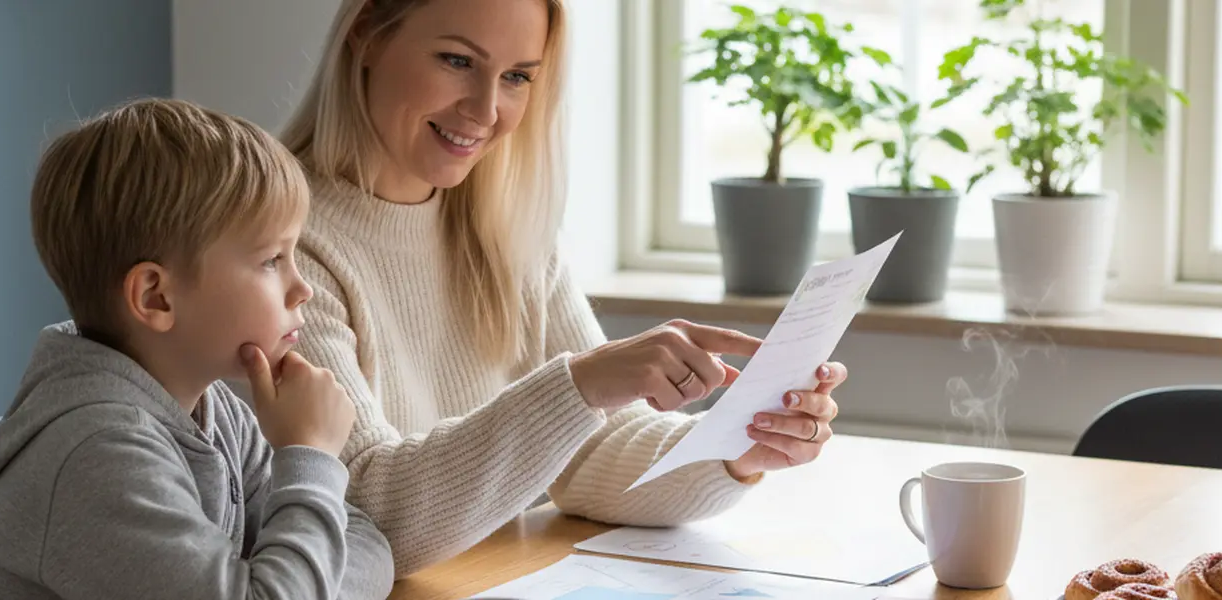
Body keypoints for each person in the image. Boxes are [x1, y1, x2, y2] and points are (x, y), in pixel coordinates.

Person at [277, 0, 849, 577]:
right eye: (457, 60)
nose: (486, 110)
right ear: (367, 34)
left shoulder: (506, 229)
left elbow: (589, 454)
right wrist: (582, 383)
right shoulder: (275, 246)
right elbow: (367, 519)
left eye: (518, 77)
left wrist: (739, 447)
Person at [0, 98, 394, 600]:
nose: (302, 288)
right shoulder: (96, 454)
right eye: (271, 260)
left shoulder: (218, 414)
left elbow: (369, 548)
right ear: (156, 297)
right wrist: (308, 456)